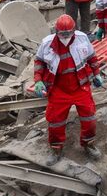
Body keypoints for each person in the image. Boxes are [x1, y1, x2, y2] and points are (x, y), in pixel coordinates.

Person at [34, 15, 102, 165]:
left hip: (80, 85)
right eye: (62, 34)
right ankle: (56, 148)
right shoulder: (47, 44)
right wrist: (38, 81)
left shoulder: (82, 39)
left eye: (68, 34)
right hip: (59, 87)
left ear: (74, 31)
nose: (65, 37)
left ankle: (88, 144)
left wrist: (97, 74)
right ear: (56, 31)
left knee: (89, 118)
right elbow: (39, 62)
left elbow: (92, 58)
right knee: (56, 122)